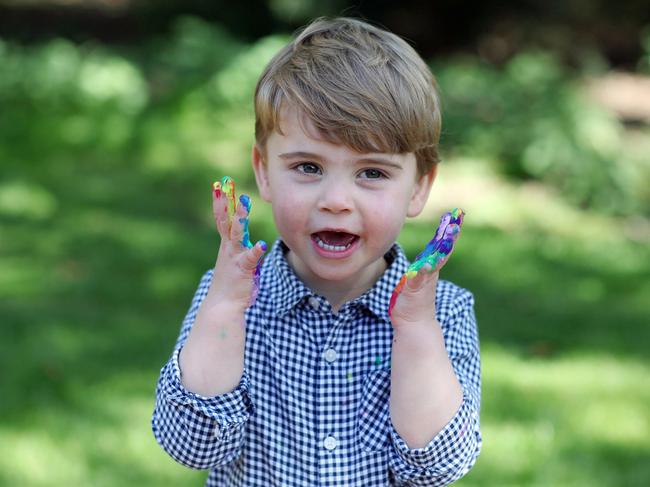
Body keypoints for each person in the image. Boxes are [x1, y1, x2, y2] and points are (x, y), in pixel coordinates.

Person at [152, 16, 482, 486]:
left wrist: (414, 328)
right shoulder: (230, 300)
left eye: (372, 173)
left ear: (418, 188)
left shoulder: (444, 312)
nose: (336, 200)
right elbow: (191, 445)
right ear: (263, 172)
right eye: (308, 166)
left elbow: (437, 468)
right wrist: (224, 307)